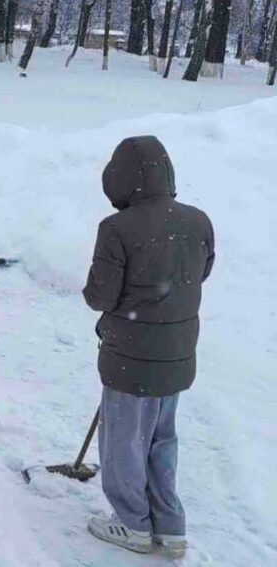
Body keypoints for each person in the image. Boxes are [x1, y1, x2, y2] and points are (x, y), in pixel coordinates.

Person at [82, 136, 214, 557]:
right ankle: (169, 525)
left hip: (130, 355)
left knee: (124, 439)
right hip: (177, 352)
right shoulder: (198, 221)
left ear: (119, 179)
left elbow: (100, 296)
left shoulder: (117, 228)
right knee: (161, 437)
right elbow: (202, 272)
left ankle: (133, 524)